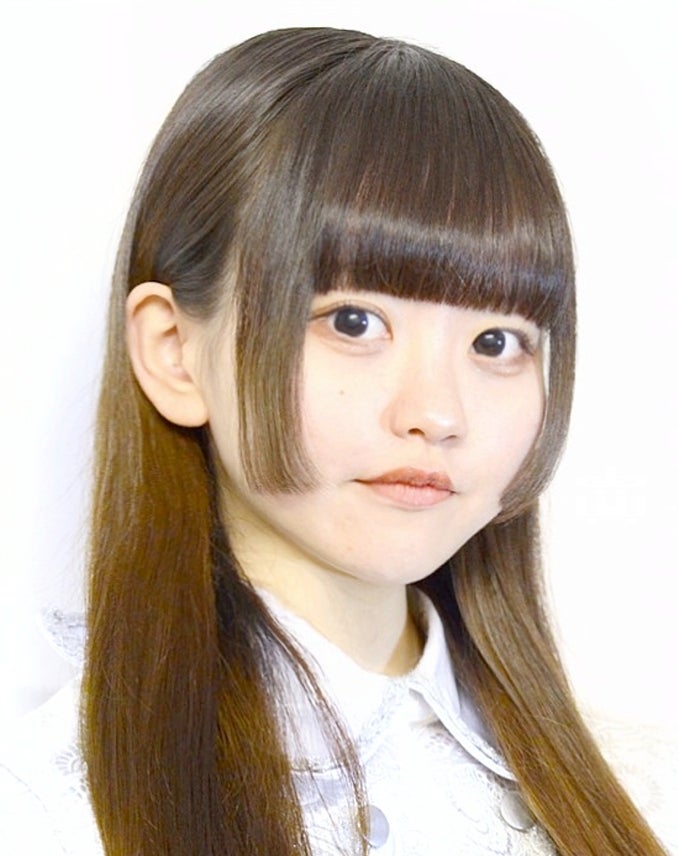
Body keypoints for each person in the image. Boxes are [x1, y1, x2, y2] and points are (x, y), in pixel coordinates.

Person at [0, 26, 674, 856]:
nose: (438, 413)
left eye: (497, 342)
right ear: (175, 351)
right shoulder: (41, 819)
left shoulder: (647, 793)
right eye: (354, 322)